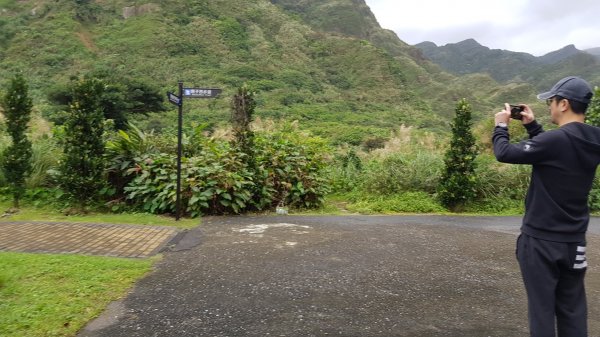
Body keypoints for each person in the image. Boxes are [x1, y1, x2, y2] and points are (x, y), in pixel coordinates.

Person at [492, 76, 597, 337]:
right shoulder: (594, 140)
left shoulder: (555, 141)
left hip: (541, 240)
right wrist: (533, 127)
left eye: (551, 101)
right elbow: (557, 153)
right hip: (574, 242)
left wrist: (500, 126)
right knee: (573, 310)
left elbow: (504, 153)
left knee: (542, 311)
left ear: (563, 104)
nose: (549, 106)